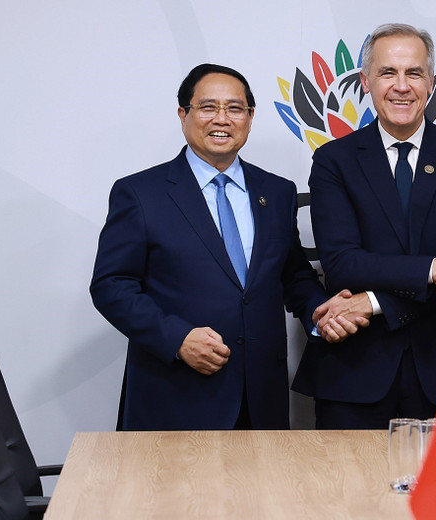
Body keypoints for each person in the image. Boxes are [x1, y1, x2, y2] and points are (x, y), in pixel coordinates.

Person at [90, 64, 365, 431]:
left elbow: (293, 275)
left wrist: (321, 311)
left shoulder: (277, 192)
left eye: (235, 108)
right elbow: (111, 285)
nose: (222, 119)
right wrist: (177, 338)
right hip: (175, 398)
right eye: (207, 107)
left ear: (250, 118)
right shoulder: (140, 194)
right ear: (183, 115)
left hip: (261, 400)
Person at [292, 23, 436, 429]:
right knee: (344, 493)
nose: (401, 86)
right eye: (388, 73)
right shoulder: (334, 160)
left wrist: (372, 302)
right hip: (352, 374)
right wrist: (432, 269)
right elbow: (343, 264)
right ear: (365, 82)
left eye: (414, 73)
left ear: (431, 84)